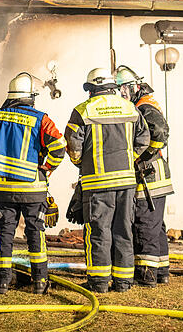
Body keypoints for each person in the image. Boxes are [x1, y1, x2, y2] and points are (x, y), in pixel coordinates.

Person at [0, 72, 66, 295]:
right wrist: (46, 167)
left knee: (4, 234)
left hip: (4, 191)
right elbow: (59, 148)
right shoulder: (41, 119)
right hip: (33, 190)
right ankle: (40, 282)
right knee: (35, 233)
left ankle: (2, 283)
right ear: (31, 97)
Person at [64, 67, 149, 293]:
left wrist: (82, 163)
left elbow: (73, 146)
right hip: (126, 183)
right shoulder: (130, 108)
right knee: (123, 231)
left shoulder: (83, 111)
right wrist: (128, 160)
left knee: (99, 232)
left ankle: (99, 283)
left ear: (91, 89)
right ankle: (123, 283)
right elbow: (144, 140)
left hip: (97, 184)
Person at [115, 65, 174, 286]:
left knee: (145, 224)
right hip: (155, 175)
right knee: (156, 226)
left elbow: (160, 133)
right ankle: (162, 272)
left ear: (135, 87)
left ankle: (147, 275)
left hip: (149, 176)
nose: (123, 94)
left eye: (125, 89)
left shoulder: (144, 106)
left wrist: (142, 156)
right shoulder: (142, 104)